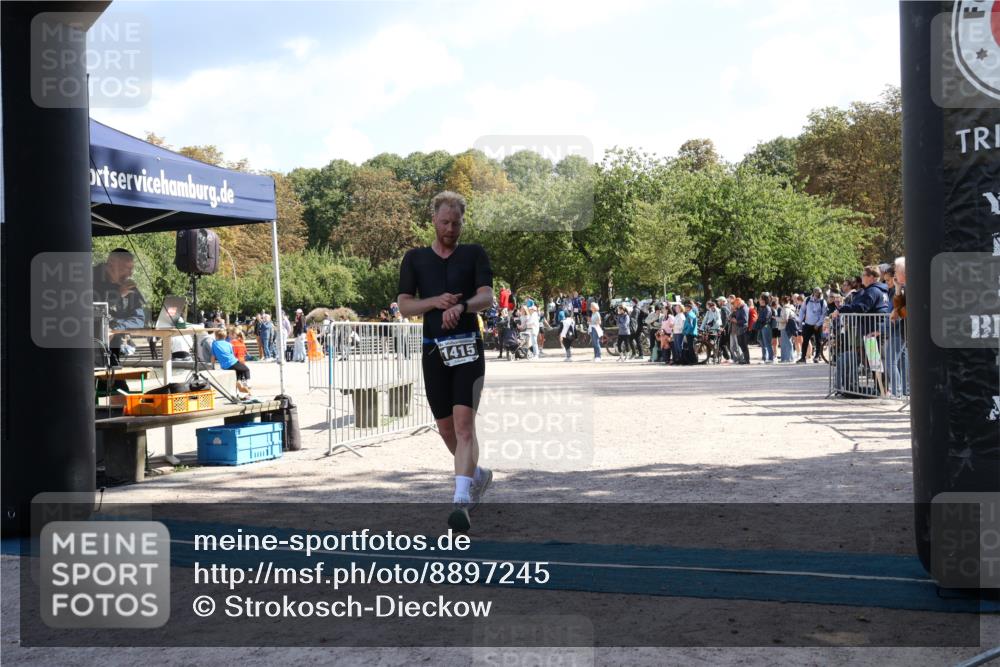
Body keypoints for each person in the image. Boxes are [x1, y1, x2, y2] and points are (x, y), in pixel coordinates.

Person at [397, 191, 494, 532]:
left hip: (467, 348)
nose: (451, 229)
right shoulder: (415, 259)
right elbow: (406, 306)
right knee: (446, 428)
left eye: (456, 223)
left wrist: (461, 306)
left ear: (462, 222)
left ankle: (461, 501)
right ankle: (477, 475)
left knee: (465, 425)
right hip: (433, 350)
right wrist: (436, 301)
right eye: (445, 223)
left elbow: (486, 296)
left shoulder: (474, 254)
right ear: (434, 221)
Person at [93, 248, 146, 365]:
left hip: (113, 352)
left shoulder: (129, 287)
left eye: (132, 269)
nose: (130, 274)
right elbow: (87, 311)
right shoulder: (90, 278)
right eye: (126, 269)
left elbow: (139, 319)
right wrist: (118, 295)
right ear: (111, 264)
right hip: (88, 352)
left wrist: (115, 327)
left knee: (116, 382)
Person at [211, 330, 250, 394]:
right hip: (233, 362)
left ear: (216, 336)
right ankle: (247, 384)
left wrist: (212, 366)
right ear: (225, 336)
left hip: (224, 365)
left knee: (238, 374)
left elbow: (213, 356)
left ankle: (240, 388)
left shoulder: (214, 344)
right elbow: (232, 355)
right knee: (246, 369)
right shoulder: (229, 344)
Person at [797, 288, 827, 363]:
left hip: (817, 325)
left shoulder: (823, 301)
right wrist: (800, 320)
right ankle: (803, 357)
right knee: (805, 341)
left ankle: (817, 356)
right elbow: (802, 310)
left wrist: (818, 324)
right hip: (808, 324)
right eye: (818, 293)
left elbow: (823, 314)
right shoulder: (807, 300)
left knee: (818, 341)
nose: (820, 294)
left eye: (820, 292)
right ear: (814, 292)